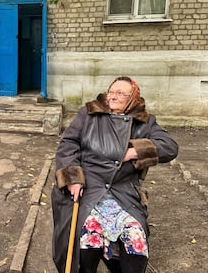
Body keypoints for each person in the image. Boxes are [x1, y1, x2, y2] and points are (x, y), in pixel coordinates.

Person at [51, 77, 178, 273]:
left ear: (133, 98)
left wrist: (135, 151)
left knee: (136, 242)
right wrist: (73, 179)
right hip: (89, 189)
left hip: (123, 192)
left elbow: (170, 147)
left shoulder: (144, 121)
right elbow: (68, 144)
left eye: (120, 93)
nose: (113, 96)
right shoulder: (89, 113)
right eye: (112, 91)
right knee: (87, 241)